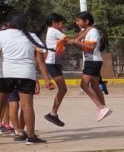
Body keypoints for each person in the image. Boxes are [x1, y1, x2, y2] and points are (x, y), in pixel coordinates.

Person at [0, 12, 55, 144]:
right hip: (26, 74)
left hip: (5, 73)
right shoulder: (33, 36)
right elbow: (40, 61)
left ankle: (20, 132)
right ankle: (31, 137)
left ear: (8, 23)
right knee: (27, 106)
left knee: (1, 105)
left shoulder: (1, 34)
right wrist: (47, 79)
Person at [66, 11, 112, 121]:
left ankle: (101, 107)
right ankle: (104, 108)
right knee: (95, 86)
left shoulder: (93, 31)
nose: (76, 23)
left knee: (84, 85)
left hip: (93, 61)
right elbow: (84, 48)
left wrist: (76, 42)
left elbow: (91, 47)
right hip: (92, 60)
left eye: (78, 20)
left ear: (86, 21)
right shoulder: (85, 32)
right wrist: (74, 43)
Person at [41, 13, 69, 127]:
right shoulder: (53, 30)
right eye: (62, 23)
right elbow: (66, 39)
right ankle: (53, 113)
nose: (63, 26)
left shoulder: (51, 31)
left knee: (63, 89)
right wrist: (79, 41)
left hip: (55, 63)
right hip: (53, 64)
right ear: (54, 23)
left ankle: (53, 113)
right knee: (63, 89)